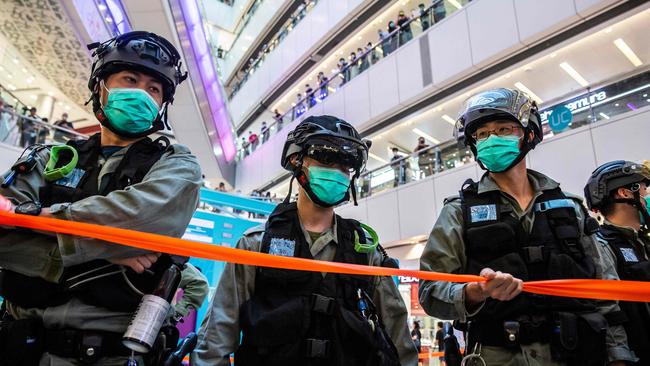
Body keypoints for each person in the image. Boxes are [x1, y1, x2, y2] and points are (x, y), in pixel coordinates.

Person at [0, 31, 203, 365]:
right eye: (130, 79)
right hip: (18, 343)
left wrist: (40, 221)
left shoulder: (177, 165)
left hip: (111, 353)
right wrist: (109, 250)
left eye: (154, 89)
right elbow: (3, 234)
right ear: (101, 87)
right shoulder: (48, 156)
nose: (142, 94)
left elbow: (145, 219)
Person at [418, 88, 635, 366]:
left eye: (504, 128)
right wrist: (477, 292)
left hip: (576, 354)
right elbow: (430, 291)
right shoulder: (458, 212)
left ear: (529, 134)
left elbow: (605, 290)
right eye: (482, 134)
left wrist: (618, 356)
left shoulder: (570, 207)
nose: (491, 139)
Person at [192, 115, 418, 366]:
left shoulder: (365, 250)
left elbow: (398, 338)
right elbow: (217, 336)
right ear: (296, 160)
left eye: (346, 165)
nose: (337, 172)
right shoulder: (257, 245)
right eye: (326, 158)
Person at [584, 160, 650, 365]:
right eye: (644, 189)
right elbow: (609, 310)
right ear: (625, 193)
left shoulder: (643, 241)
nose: (646, 195)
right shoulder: (602, 245)